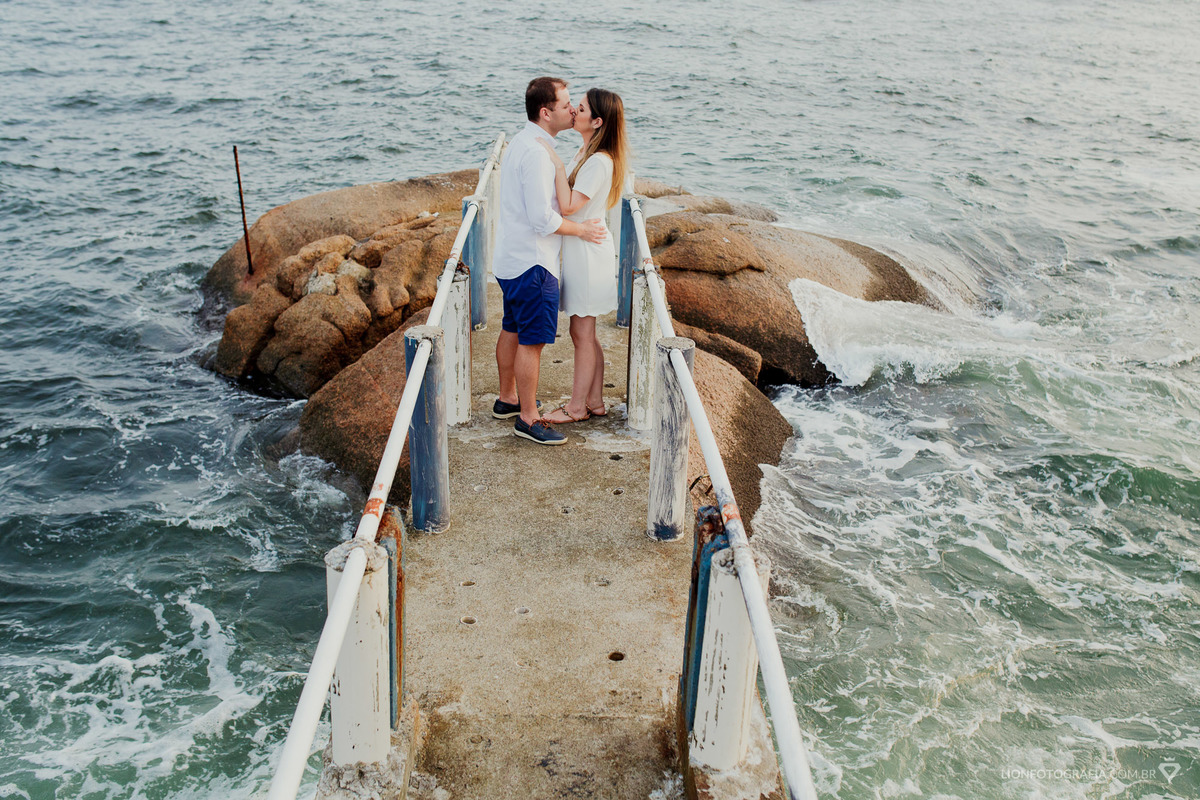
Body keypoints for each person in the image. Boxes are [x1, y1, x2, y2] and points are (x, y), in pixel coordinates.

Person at [492, 77, 607, 445]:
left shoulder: (521, 142)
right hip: (533, 263)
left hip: (510, 258)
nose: (572, 110)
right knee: (532, 342)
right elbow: (544, 219)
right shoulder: (539, 154)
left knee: (511, 327)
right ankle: (528, 418)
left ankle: (508, 398)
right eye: (566, 104)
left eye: (576, 105)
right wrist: (581, 230)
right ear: (546, 112)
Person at [536, 88, 628, 424]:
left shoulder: (599, 161)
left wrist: (556, 164)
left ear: (598, 121)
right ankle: (595, 401)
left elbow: (570, 205)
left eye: (583, 107)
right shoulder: (587, 151)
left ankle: (577, 408)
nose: (575, 108)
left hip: (588, 254)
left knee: (582, 332)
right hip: (581, 250)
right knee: (584, 332)